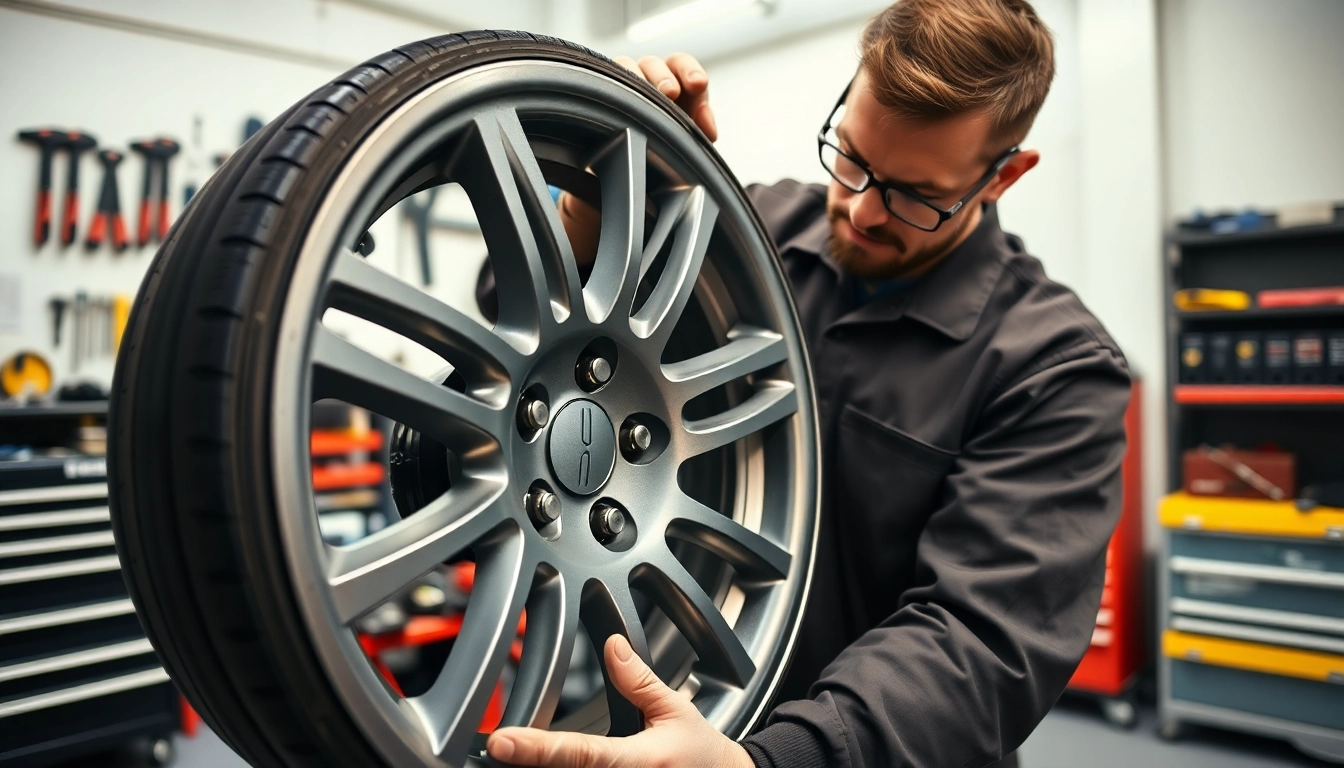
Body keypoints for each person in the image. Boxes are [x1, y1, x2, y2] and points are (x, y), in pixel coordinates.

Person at [484, 1, 1131, 765]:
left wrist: (776, 759)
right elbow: (518, 323)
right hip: (677, 724)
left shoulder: (1055, 368)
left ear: (1003, 176)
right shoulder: (748, 234)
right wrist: (604, 188)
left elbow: (979, 642)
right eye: (850, 157)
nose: (860, 210)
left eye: (915, 195)